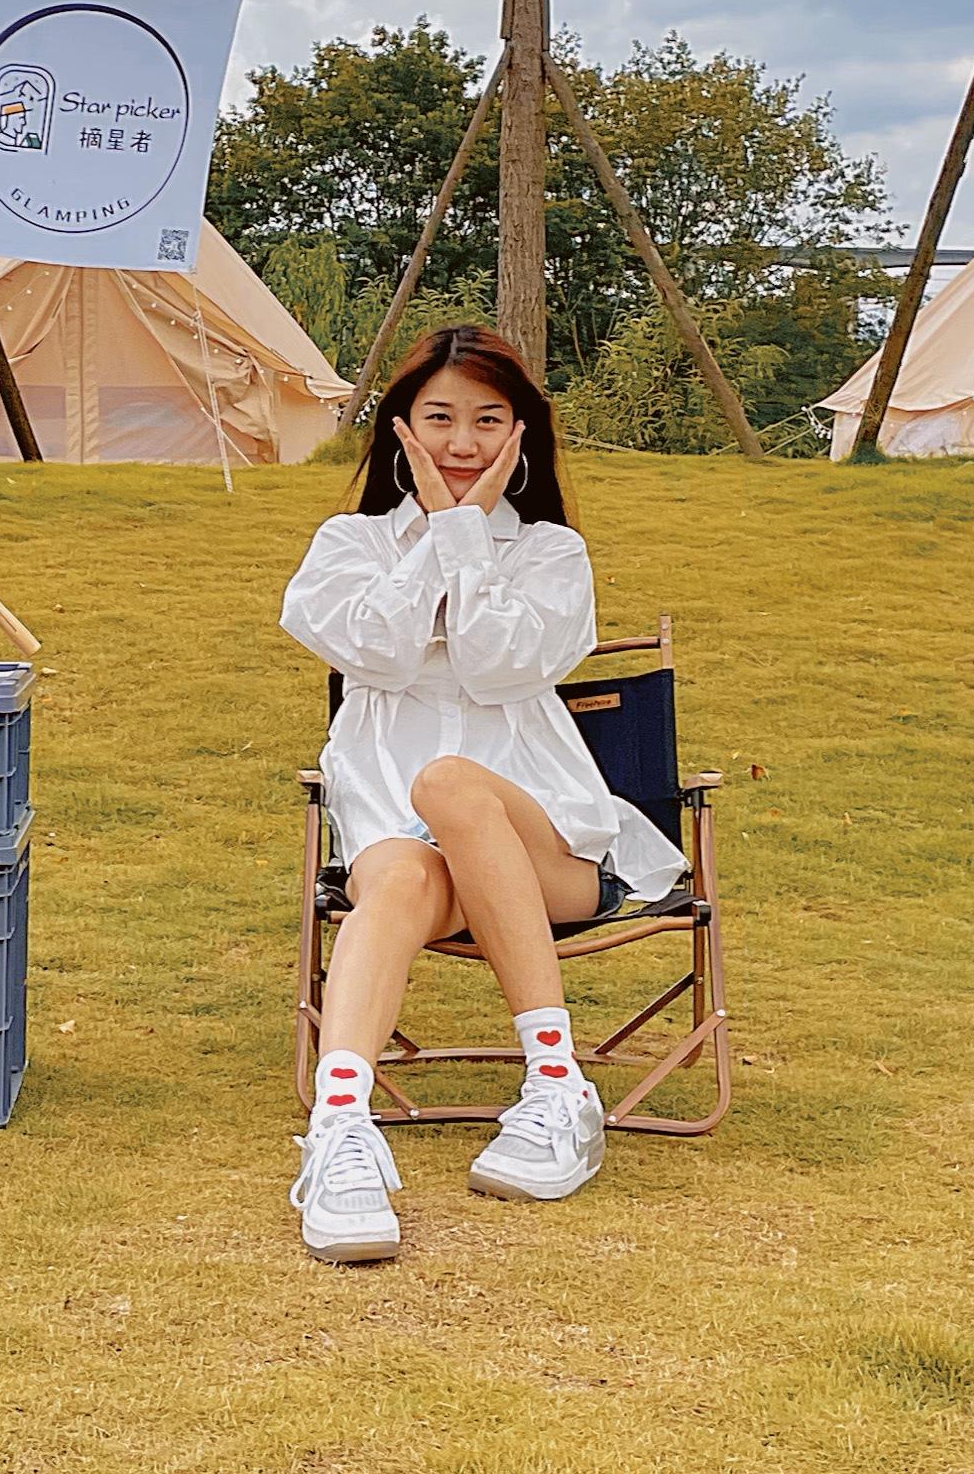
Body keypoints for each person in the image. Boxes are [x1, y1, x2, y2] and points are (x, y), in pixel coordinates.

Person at [275, 325, 685, 1265]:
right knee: (404, 878)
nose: (464, 443)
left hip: (550, 853)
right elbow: (369, 646)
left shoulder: (551, 553)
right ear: (399, 431)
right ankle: (341, 1130)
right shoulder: (349, 544)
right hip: (396, 842)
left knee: (452, 786)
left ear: (522, 434)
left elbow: (501, 664)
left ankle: (557, 1086)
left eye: (488, 420)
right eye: (440, 419)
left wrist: (460, 530)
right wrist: (436, 532)